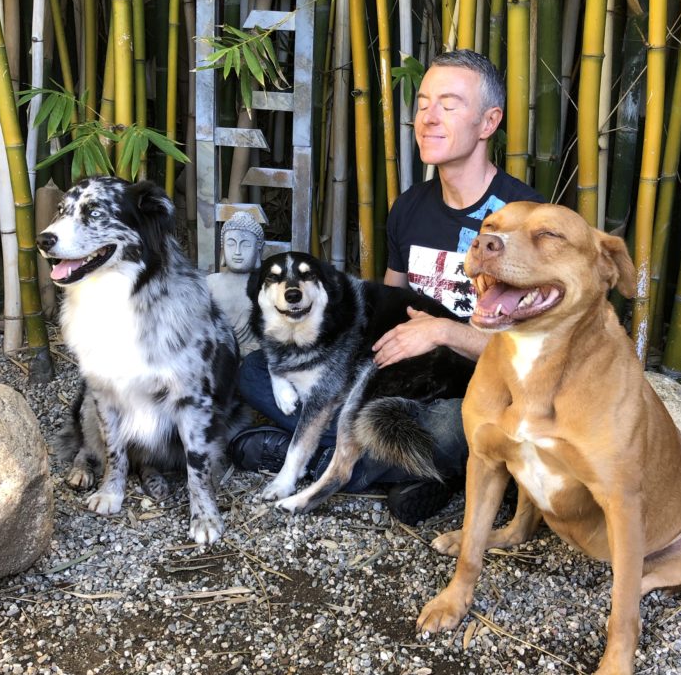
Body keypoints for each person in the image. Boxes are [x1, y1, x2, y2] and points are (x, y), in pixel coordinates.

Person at [230, 49, 540, 523]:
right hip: (394, 377)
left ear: (488, 121)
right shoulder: (410, 207)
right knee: (255, 368)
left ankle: (330, 461)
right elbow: (380, 314)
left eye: (449, 105)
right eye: (421, 103)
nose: (428, 118)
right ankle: (396, 467)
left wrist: (442, 332)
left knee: (461, 426)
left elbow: (539, 359)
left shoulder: (524, 218)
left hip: (473, 386)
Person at [207, 212, 265, 356]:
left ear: (259, 250)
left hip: (251, 359)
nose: (237, 252)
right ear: (223, 248)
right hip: (216, 358)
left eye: (245, 245)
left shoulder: (265, 287)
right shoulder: (208, 283)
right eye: (231, 244)